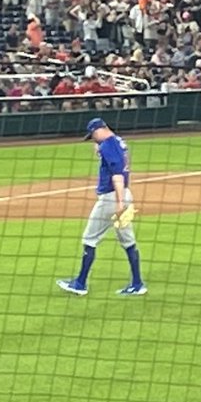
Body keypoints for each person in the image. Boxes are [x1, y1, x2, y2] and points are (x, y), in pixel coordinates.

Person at [57, 118, 146, 296]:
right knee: (128, 241)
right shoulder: (119, 142)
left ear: (99, 130)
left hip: (112, 199)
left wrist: (119, 203)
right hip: (126, 195)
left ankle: (80, 284)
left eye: (93, 136)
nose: (93, 140)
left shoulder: (107, 145)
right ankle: (138, 283)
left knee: (89, 239)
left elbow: (117, 176)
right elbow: (122, 163)